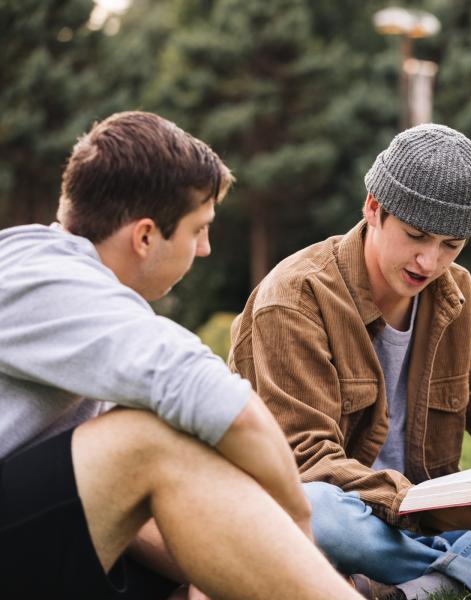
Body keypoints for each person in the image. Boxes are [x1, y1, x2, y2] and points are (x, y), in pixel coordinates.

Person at [230, 124, 471, 600]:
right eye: (417, 236)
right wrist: (434, 513)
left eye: (451, 246)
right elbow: (306, 464)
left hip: (424, 520)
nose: (430, 263)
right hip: (353, 513)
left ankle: (418, 586)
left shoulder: (458, 293)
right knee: (321, 513)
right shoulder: (294, 299)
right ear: (374, 207)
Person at [0, 111, 359, 600]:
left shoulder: (64, 283)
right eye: (198, 229)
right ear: (146, 236)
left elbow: (119, 494)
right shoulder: (47, 279)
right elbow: (221, 402)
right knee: (150, 438)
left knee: (156, 434)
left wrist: (239, 564)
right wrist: (299, 525)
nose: (206, 248)